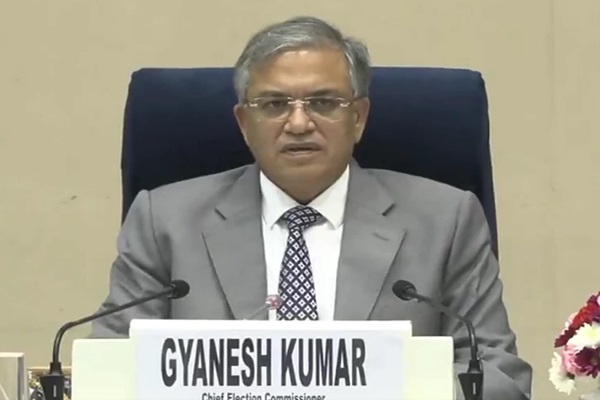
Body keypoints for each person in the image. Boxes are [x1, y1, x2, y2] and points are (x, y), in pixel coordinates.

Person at [91, 16, 532, 400]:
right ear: (244, 123)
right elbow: (109, 369)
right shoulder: (164, 221)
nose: (299, 123)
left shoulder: (445, 220)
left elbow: (498, 376)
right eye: (274, 105)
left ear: (358, 118)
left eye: (323, 103)